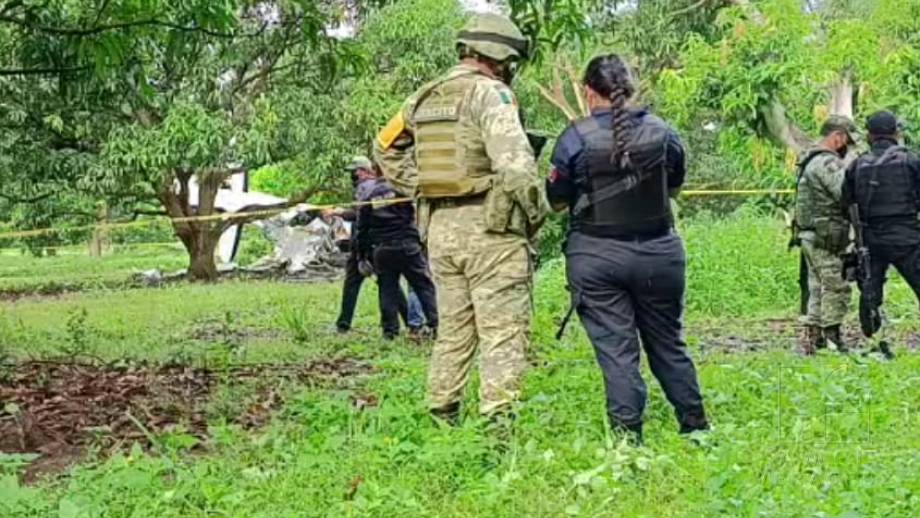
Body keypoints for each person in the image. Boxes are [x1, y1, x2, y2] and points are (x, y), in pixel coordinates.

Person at [374, 13, 549, 424]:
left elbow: (385, 149)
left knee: (453, 330)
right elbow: (517, 167)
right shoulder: (492, 95)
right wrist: (537, 215)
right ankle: (497, 426)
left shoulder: (423, 97)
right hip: (491, 229)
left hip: (439, 232)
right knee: (503, 332)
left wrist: (420, 186)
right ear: (500, 57)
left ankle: (442, 412)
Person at [545, 54, 708, 443]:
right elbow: (675, 188)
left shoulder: (574, 137)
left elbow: (556, 200)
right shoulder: (664, 133)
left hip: (597, 257)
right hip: (660, 253)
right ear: (631, 89)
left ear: (588, 92)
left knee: (618, 352)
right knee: (667, 341)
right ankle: (696, 425)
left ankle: (628, 439)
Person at [842, 110, 920, 347]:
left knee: (870, 291)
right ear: (896, 133)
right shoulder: (911, 161)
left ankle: (873, 338)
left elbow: (846, 201)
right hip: (907, 237)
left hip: (871, 239)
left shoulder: (857, 165)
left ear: (869, 135)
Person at [332, 157, 422, 334]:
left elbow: (360, 216)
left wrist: (340, 213)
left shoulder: (366, 188)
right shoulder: (384, 188)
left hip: (366, 244)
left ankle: (344, 324)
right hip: (380, 242)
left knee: (354, 283)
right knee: (390, 285)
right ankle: (409, 323)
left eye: (355, 171)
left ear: (365, 170)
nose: (353, 175)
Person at [794, 116, 857, 355]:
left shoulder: (809, 158)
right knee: (836, 286)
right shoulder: (826, 163)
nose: (847, 147)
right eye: (847, 141)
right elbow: (844, 191)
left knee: (817, 286)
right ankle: (832, 337)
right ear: (837, 136)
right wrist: (851, 165)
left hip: (812, 234)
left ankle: (814, 337)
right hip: (825, 235)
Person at [355, 163, 439, 340]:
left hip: (383, 249)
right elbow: (417, 211)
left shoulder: (368, 195)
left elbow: (361, 229)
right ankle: (436, 324)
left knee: (387, 290)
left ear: (374, 171)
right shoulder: (401, 190)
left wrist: (362, 256)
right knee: (423, 286)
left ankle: (390, 332)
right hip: (407, 245)